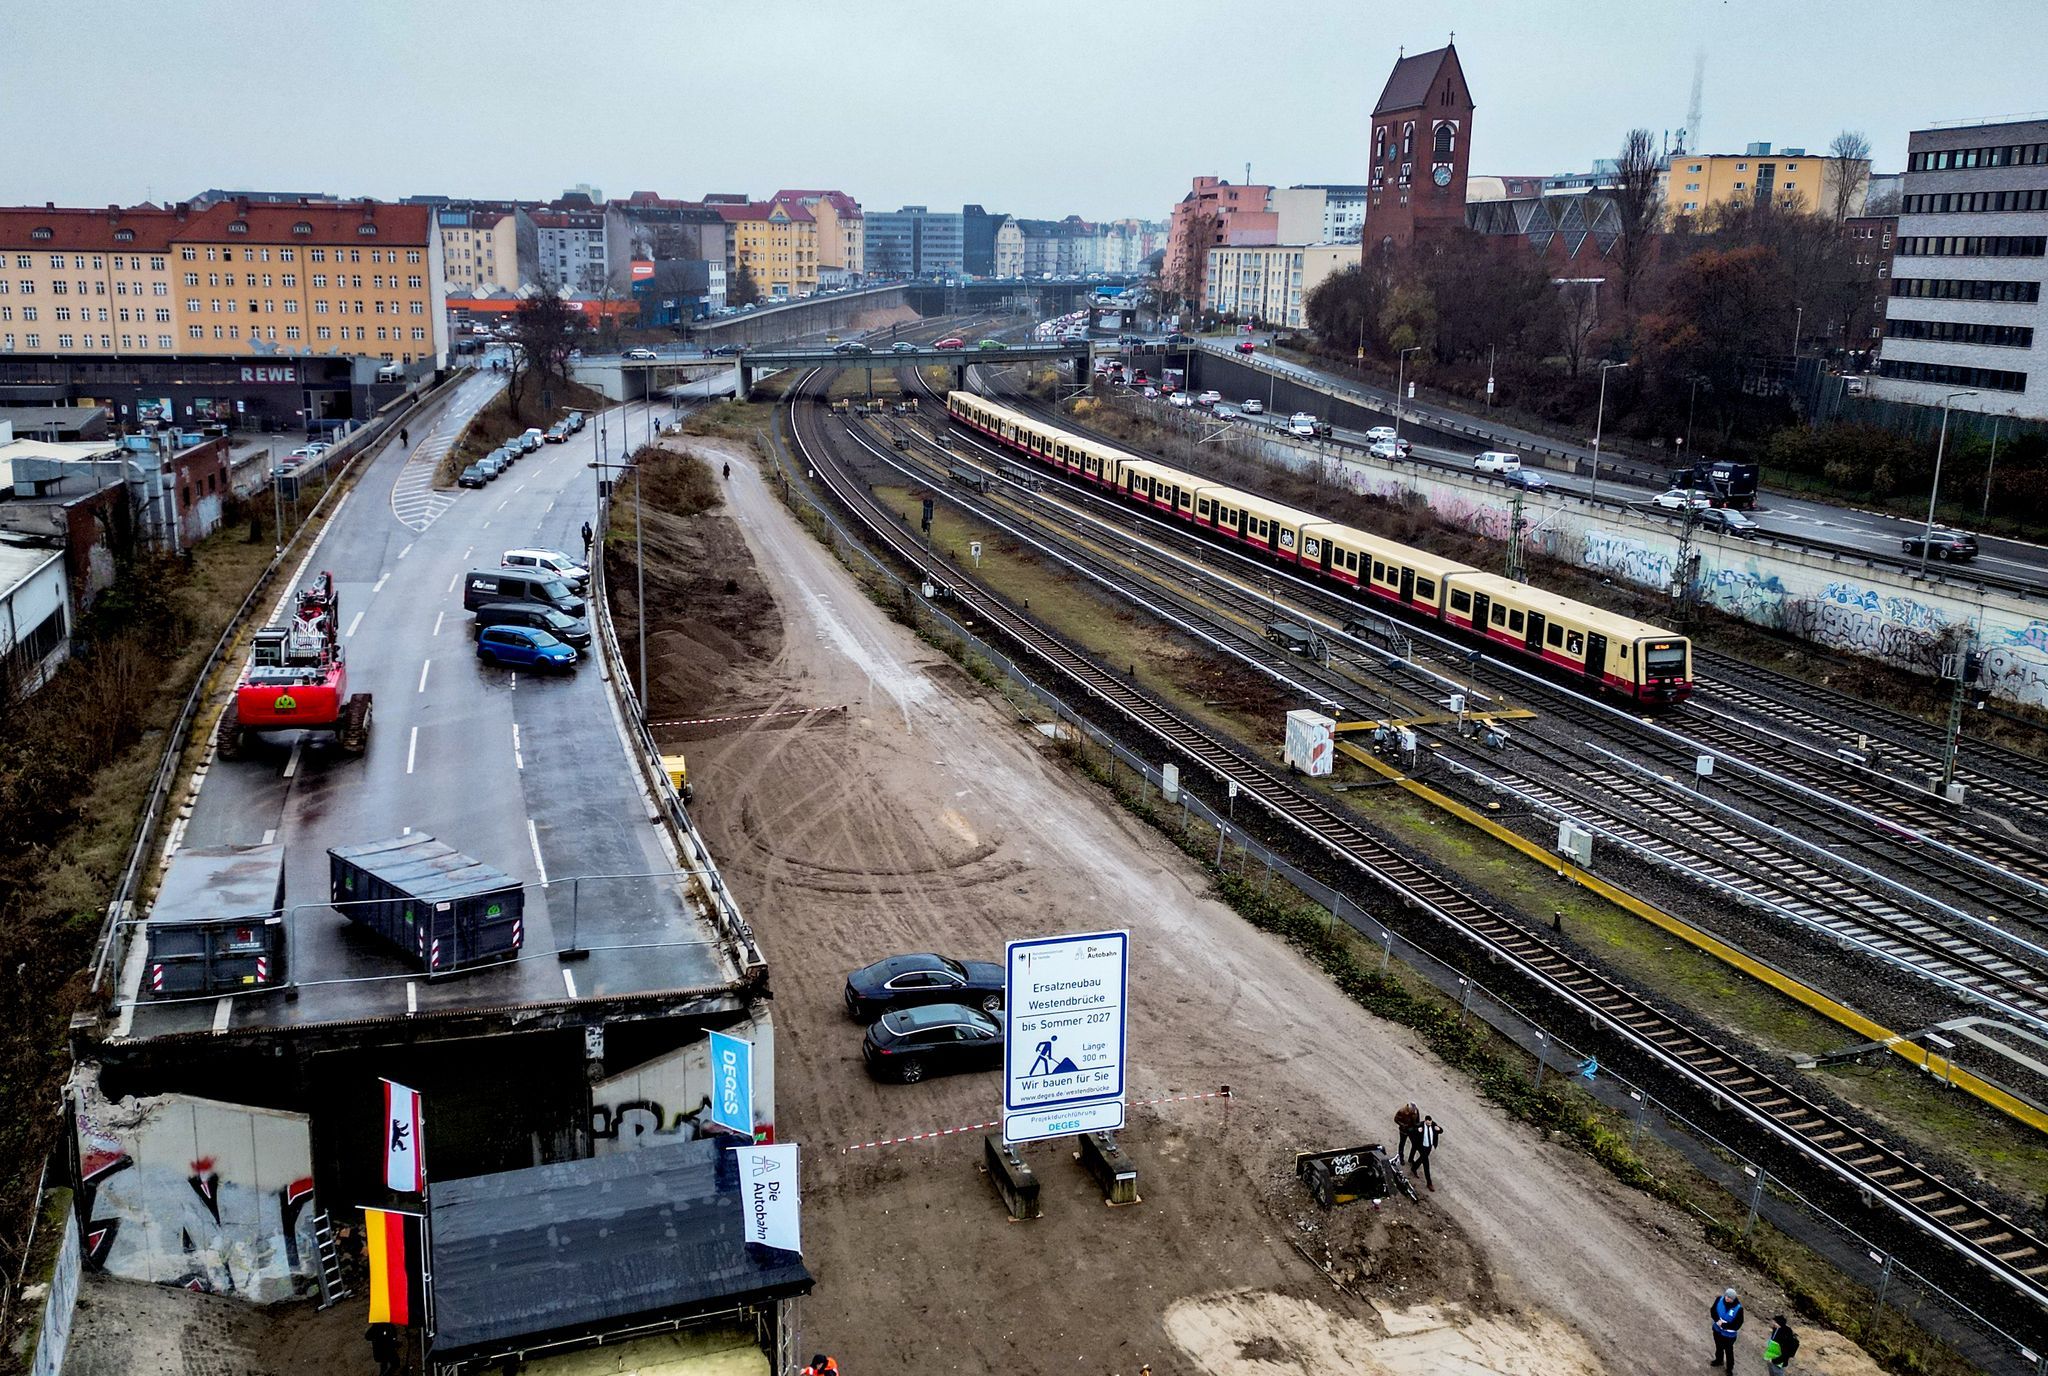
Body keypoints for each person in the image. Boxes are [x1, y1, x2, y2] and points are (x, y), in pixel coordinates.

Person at [1709, 1287, 1744, 1367]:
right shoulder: (1719, 1300)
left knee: (1729, 1351)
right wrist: (1717, 1320)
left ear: (1734, 1299)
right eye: (1726, 1296)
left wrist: (1725, 1326)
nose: (1727, 1299)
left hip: (1729, 1336)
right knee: (1718, 1347)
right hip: (1717, 1330)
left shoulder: (1739, 1309)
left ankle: (1729, 1368)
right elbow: (1713, 1310)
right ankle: (1719, 1360)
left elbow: (1738, 1324)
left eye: (1730, 1298)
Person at [1410, 1114, 1442, 1192]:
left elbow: (1441, 1131)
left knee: (1422, 1159)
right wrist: (1417, 1131)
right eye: (1428, 1123)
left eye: (1430, 1123)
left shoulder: (1433, 1124)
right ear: (1425, 1121)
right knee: (1426, 1164)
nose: (1429, 1125)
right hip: (1422, 1147)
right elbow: (1411, 1131)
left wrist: (1439, 1129)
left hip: (1429, 1147)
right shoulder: (1420, 1125)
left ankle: (1414, 1168)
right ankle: (1429, 1183)